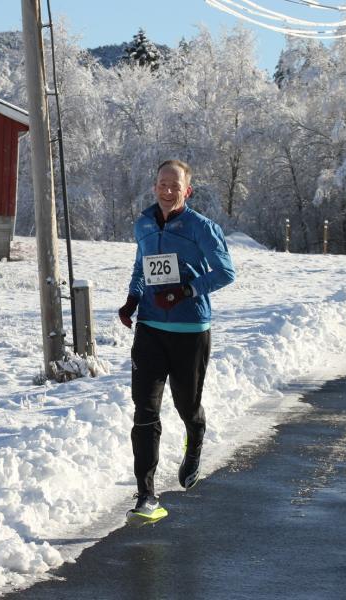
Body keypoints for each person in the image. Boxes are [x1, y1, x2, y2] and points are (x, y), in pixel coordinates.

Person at [117, 159, 236, 525]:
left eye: (175, 185)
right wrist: (133, 300)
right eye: (161, 183)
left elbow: (225, 272)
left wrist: (186, 290)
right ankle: (147, 496)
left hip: (190, 331)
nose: (167, 190)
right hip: (150, 328)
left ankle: (195, 434)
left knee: (187, 405)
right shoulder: (143, 224)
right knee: (145, 411)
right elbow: (142, 268)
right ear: (154, 186)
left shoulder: (202, 227)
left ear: (187, 191)